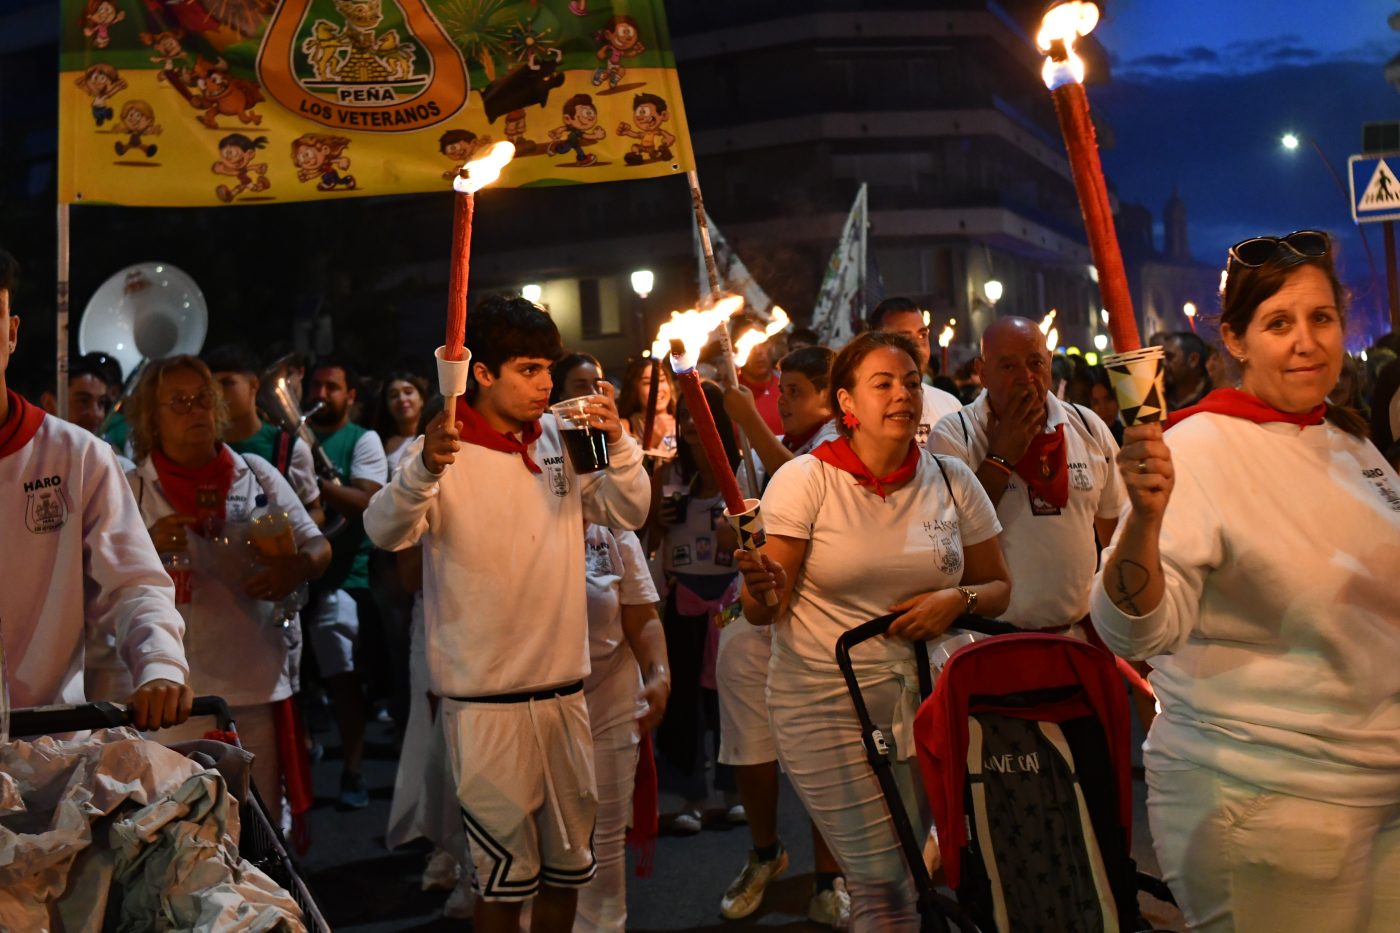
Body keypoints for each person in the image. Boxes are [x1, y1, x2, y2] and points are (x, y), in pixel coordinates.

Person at [1091, 230, 1400, 931]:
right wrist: (1142, 521)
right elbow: (1132, 627)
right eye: (1279, 323)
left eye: (1320, 318)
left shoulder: (1349, 441)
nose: (1306, 342)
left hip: (1380, 797)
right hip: (1268, 803)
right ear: (1234, 339)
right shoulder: (1197, 449)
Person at [364, 295, 650, 933]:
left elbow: (628, 511)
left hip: (566, 693)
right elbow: (384, 532)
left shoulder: (561, 436)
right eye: (528, 369)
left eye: (548, 367)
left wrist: (622, 442)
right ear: (483, 374)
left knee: (569, 872)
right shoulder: (440, 447)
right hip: (484, 703)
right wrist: (424, 472)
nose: (546, 384)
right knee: (502, 882)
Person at [737, 331, 1011, 930]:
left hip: (926, 700)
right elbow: (766, 607)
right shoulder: (807, 480)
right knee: (883, 882)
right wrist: (761, 589)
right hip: (826, 702)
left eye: (912, 383)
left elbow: (997, 586)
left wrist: (952, 599)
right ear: (847, 404)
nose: (904, 395)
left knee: (919, 871)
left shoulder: (951, 479)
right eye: (883, 384)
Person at [124, 355, 331, 816]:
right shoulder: (132, 488)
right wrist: (146, 544)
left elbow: (318, 548)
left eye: (201, 398)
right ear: (151, 419)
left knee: (258, 829)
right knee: (177, 830)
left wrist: (293, 568)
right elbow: (100, 583)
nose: (194, 409)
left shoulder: (254, 472)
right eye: (177, 402)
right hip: (170, 696)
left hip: (253, 685)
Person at [0, 247, 192, 730]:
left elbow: (134, 583)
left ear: (11, 333)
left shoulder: (76, 456)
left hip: (43, 743)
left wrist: (160, 664)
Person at [719, 346, 851, 927]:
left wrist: (748, 416)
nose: (785, 402)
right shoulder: (789, 448)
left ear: (832, 397)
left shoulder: (833, 447)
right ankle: (766, 852)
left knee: (826, 754)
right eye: (784, 391)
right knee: (752, 745)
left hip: (815, 629)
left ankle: (830, 879)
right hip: (757, 623)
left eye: (796, 391)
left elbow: (797, 477)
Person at [927, 316, 1122, 634]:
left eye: (1035, 362)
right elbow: (948, 540)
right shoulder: (955, 434)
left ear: (1048, 363)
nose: (1025, 377)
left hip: (1078, 635)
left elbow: (1115, 534)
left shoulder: (1087, 427)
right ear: (982, 371)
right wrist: (1000, 458)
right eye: (1007, 366)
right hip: (990, 639)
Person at [653, 379, 742, 835]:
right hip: (684, 596)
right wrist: (657, 519)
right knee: (684, 698)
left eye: (702, 413)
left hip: (730, 599)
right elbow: (647, 539)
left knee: (729, 696)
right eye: (685, 413)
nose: (690, 423)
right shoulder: (667, 473)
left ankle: (734, 791)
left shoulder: (742, 472)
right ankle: (689, 795)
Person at [576, 521, 670, 931]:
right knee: (537, 845)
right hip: (535, 702)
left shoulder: (613, 531)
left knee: (605, 839)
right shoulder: (515, 519)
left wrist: (659, 674)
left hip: (610, 698)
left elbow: (643, 617)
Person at [305, 357, 388, 809]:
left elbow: (367, 503)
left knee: (343, 680)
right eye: (316, 385)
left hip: (342, 576)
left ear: (350, 396)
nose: (321, 394)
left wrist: (313, 478)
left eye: (332, 387)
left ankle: (352, 769)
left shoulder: (363, 440)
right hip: (294, 576)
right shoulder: (291, 436)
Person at [204, 344, 322, 519]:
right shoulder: (203, 446)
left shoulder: (290, 448)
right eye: (212, 387)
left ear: (254, 384)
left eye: (227, 383)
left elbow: (315, 510)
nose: (219, 394)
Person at [867, 297, 962, 444]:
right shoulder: (861, 407)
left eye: (922, 335)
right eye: (904, 338)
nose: (918, 347)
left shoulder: (949, 406)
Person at [618, 355, 676, 456]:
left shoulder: (683, 421)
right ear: (634, 390)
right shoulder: (626, 426)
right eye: (648, 383)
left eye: (662, 380)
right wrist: (651, 440)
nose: (657, 388)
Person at [378, 371, 429, 476]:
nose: (401, 399)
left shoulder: (433, 437)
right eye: (393, 395)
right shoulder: (381, 443)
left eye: (408, 392)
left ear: (422, 399)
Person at [1162, 331, 1212, 411]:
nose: (1163, 363)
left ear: (1193, 360)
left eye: (1170, 357)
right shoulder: (1158, 397)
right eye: (1163, 358)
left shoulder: (1213, 399)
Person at [1088, 365, 1125, 446]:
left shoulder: (1126, 436)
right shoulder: (1086, 442)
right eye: (1095, 402)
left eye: (1109, 399)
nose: (1103, 409)